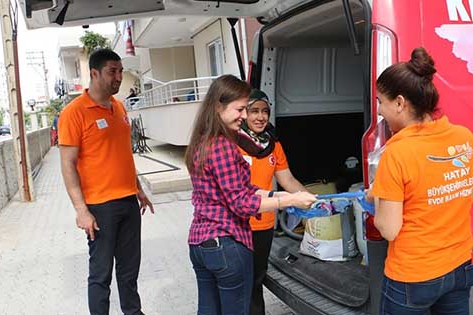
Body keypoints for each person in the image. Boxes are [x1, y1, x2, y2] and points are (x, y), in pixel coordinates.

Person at [185, 75, 316, 315]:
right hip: (226, 243)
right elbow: (241, 203)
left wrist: (280, 194)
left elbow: (239, 188)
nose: (245, 116)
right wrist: (290, 200)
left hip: (200, 243)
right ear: (218, 106)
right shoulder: (223, 145)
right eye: (241, 109)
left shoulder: (201, 141)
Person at [369, 47, 473, 314]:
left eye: (380, 101)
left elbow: (389, 229)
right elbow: (468, 195)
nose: (380, 110)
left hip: (414, 275)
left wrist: (377, 202)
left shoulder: (397, 152)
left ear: (399, 103)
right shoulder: (465, 137)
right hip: (461, 265)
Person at [58, 48, 154, 315]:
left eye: (121, 71)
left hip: (128, 203)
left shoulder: (119, 107)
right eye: (113, 71)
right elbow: (67, 164)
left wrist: (138, 189)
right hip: (100, 207)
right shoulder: (74, 113)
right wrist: (81, 210)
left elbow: (122, 154)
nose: (119, 77)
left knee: (129, 271)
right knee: (101, 275)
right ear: (94, 73)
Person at [236, 89, 308, 315]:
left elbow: (287, 179)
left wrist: (312, 199)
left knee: (256, 281)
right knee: (239, 283)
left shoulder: (273, 145)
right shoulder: (233, 142)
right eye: (254, 111)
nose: (260, 117)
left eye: (264, 111)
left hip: (264, 224)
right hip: (237, 224)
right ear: (244, 114)